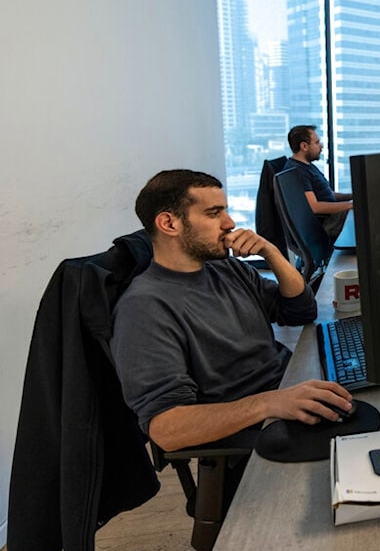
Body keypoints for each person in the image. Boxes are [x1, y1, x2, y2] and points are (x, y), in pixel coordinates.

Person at [111, 169, 354, 453]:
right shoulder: (144, 308)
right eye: (214, 214)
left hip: (289, 389)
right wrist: (268, 403)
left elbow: (300, 311)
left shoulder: (226, 268)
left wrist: (271, 252)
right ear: (169, 223)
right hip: (257, 427)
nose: (230, 223)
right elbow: (165, 428)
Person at [286, 124, 353, 242]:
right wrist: (351, 205)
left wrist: (352, 196)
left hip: (330, 219)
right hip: (325, 225)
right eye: (317, 143)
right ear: (304, 146)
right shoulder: (298, 172)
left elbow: (327, 195)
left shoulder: (307, 166)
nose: (321, 146)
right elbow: (314, 207)